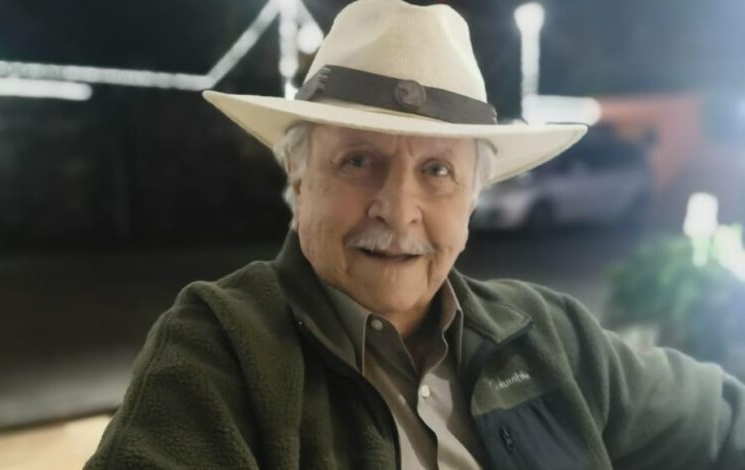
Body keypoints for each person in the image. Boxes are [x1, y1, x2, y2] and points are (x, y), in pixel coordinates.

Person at [86, 0, 745, 468]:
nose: (398, 210)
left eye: (436, 170)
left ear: (473, 196)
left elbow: (724, 423)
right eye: (358, 161)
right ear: (298, 172)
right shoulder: (222, 352)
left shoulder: (550, 336)